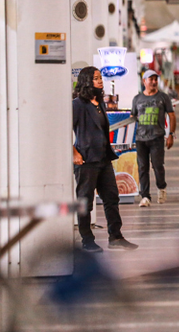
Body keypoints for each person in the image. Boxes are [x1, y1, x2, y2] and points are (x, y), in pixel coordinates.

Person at [72, 67, 138, 253]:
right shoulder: (77, 104)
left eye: (100, 78)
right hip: (86, 160)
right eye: (96, 78)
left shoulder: (99, 103)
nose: (100, 81)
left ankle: (115, 237)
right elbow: (64, 129)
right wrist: (74, 153)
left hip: (103, 158)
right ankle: (87, 240)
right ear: (86, 81)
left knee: (111, 198)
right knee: (85, 201)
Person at [131, 70, 176, 208]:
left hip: (157, 137)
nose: (154, 82)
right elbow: (132, 118)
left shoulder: (163, 97)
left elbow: (171, 115)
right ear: (144, 81)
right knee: (142, 168)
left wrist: (171, 134)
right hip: (140, 138)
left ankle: (161, 187)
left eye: (156, 79)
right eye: (151, 79)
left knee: (157, 166)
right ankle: (145, 196)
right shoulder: (137, 99)